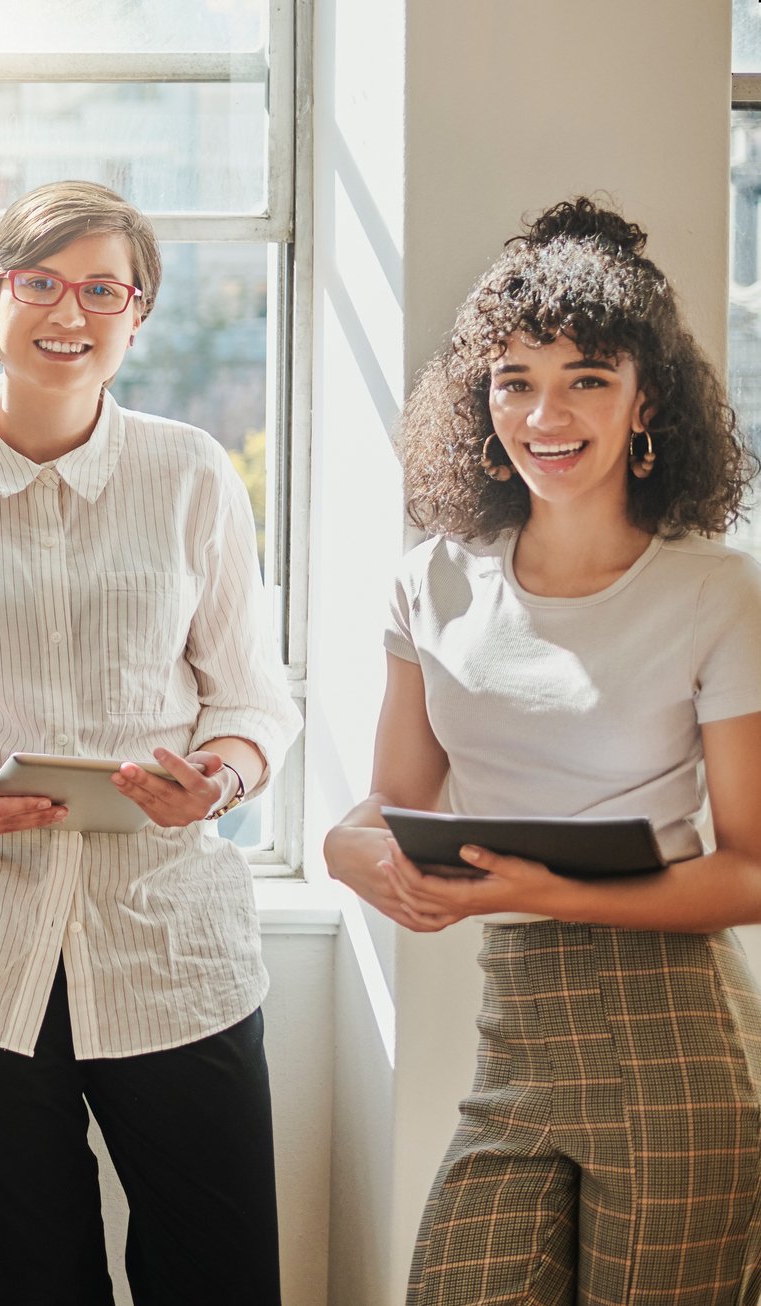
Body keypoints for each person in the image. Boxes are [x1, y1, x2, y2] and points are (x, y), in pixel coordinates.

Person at [0, 180, 299, 1305]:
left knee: (219, 1274)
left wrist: (217, 781)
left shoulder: (190, 474)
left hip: (168, 942)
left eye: (101, 288)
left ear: (138, 315)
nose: (67, 312)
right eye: (38, 282)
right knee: (24, 1279)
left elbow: (251, 703)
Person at [324, 198, 761, 1305]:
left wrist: (545, 889)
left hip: (670, 1037)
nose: (543, 413)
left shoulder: (714, 590)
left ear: (643, 399)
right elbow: (389, 804)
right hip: (513, 1031)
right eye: (513, 378)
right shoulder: (430, 577)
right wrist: (347, 851)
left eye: (585, 378)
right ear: (479, 397)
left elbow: (749, 870)